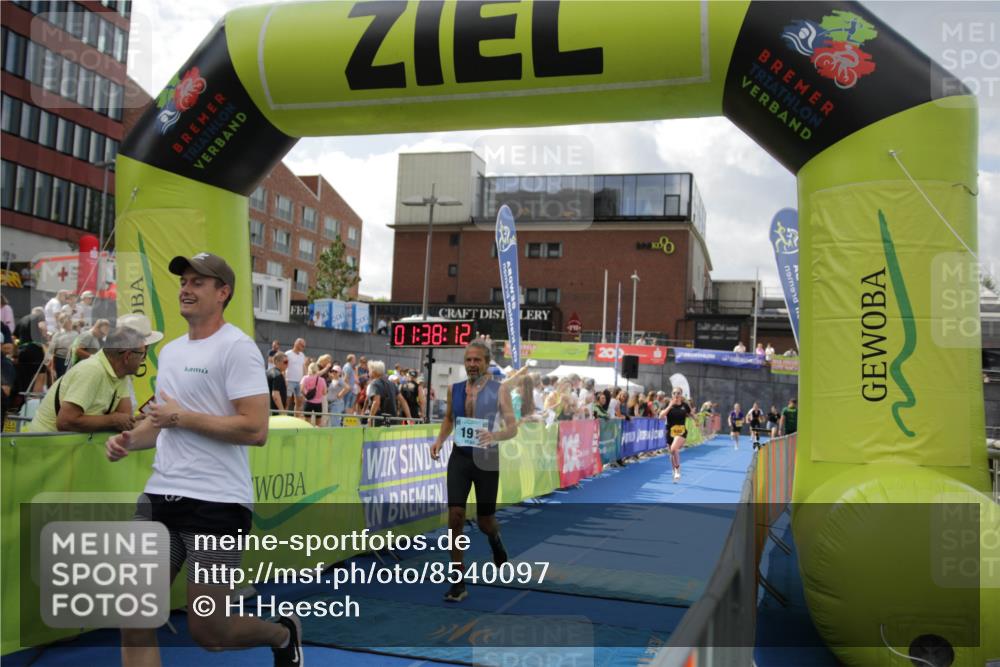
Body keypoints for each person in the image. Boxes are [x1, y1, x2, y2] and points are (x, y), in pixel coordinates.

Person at [105, 252, 301, 666]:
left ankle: (283, 635)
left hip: (217, 504)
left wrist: (181, 417)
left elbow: (255, 430)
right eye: (183, 282)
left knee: (210, 632)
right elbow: (161, 422)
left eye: (197, 282)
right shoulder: (171, 352)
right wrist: (130, 440)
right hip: (160, 496)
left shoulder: (237, 348)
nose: (186, 289)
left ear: (223, 292)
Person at [430, 341, 518, 602]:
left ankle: (495, 540)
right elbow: (449, 418)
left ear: (487, 362)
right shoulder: (454, 389)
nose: (472, 365)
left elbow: (512, 427)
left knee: (485, 522)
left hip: (486, 459)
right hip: (460, 457)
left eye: (477, 360)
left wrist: (494, 435)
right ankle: (458, 580)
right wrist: (439, 440)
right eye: (468, 360)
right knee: (455, 516)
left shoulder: (499, 390)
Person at [28, 318, 162, 433]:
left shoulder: (120, 374)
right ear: (127, 356)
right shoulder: (92, 370)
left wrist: (133, 421)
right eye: (143, 353)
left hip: (65, 448)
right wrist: (113, 420)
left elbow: (124, 417)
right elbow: (66, 422)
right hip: (47, 449)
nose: (144, 359)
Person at [659, 387, 692, 482]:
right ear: (672, 394)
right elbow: (661, 416)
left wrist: (696, 419)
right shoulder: (667, 404)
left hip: (681, 431)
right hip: (670, 431)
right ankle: (674, 471)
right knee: (672, 452)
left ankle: (677, 469)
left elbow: (690, 414)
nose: (676, 395)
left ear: (681, 394)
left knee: (674, 448)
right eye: (674, 393)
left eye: (678, 393)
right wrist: (670, 405)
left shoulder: (685, 405)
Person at [366, 360, 410, 426]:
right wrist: (409, 417)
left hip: (379, 421)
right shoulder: (392, 384)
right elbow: (403, 401)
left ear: (374, 372)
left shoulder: (374, 384)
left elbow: (376, 402)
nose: (369, 373)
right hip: (392, 420)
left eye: (369, 370)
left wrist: (370, 418)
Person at [48, 313, 77, 378]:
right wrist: (49, 366)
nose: (70, 322)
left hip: (73, 360)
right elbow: (51, 351)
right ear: (62, 322)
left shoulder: (76, 333)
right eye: (68, 320)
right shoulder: (57, 335)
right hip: (61, 361)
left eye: (70, 320)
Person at [284, 338, 306, 418]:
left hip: (299, 382)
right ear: (296, 344)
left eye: (304, 346)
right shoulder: (288, 354)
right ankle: (283, 418)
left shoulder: (302, 355)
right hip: (289, 380)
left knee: (299, 402)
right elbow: (284, 367)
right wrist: (285, 379)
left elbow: (303, 368)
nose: (303, 347)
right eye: (302, 345)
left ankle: (296, 418)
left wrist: (305, 379)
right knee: (287, 401)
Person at [300, 362, 327, 426]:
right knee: (318, 424)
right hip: (318, 403)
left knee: (307, 423)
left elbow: (301, 389)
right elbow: (324, 392)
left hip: (308, 402)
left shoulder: (305, 378)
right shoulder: (322, 380)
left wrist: (307, 395)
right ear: (317, 369)